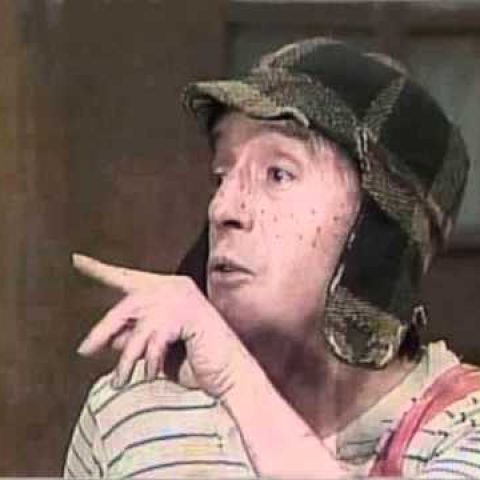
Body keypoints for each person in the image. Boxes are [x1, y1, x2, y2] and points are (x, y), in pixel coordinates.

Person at [64, 37, 479, 479]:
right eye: (221, 175)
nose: (223, 208)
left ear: (380, 228)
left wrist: (232, 377)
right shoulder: (131, 415)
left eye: (278, 174)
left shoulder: (462, 429)